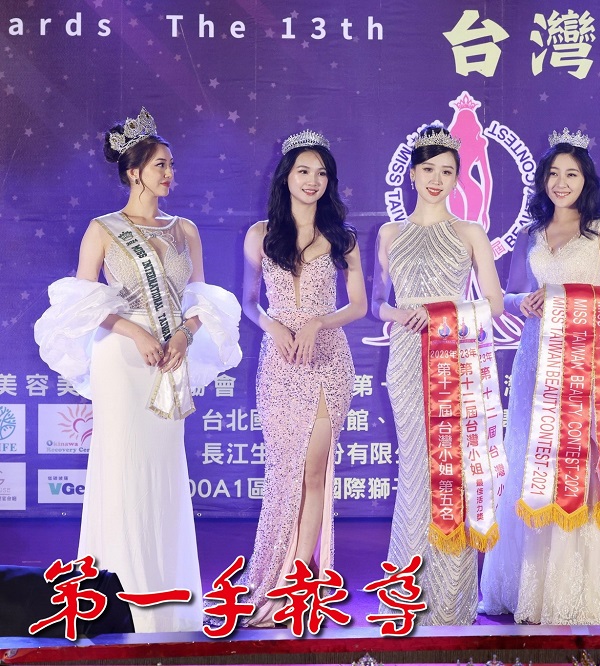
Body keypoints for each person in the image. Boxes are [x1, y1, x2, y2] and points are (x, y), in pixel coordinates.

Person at [34, 107, 242, 632]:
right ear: (134, 172)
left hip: (171, 356)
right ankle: (117, 601)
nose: (170, 173)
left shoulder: (185, 230)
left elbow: (200, 300)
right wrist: (136, 331)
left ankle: (168, 603)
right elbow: (80, 305)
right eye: (160, 165)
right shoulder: (102, 229)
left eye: (171, 164)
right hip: (123, 357)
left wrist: (183, 334)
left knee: (164, 471)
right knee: (121, 466)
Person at [480, 129, 600, 625]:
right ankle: (531, 585)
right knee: (533, 461)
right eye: (553, 174)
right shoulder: (532, 234)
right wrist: (521, 302)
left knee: (578, 464)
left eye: (571, 174)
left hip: (583, 363)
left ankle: (579, 587)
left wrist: (565, 296)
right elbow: (509, 295)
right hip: (534, 361)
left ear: (586, 179)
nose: (562, 183)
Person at [371, 125, 504, 625]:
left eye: (447, 171)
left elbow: (493, 303)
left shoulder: (470, 233)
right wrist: (400, 314)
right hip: (407, 356)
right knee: (415, 467)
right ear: (412, 174)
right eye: (428, 169)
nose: (436, 179)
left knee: (452, 467)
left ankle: (449, 599)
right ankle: (406, 592)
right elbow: (377, 303)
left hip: (455, 356)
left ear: (457, 179)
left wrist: (442, 313)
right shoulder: (390, 233)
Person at [236, 130, 366, 626]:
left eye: (321, 173)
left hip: (327, 360)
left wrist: (318, 322)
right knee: (283, 471)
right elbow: (249, 301)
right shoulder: (260, 234)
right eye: (303, 171)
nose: (312, 181)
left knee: (313, 471)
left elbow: (358, 306)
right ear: (286, 176)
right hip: (280, 361)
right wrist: (273, 325)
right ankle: (269, 579)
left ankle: (295, 585)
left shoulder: (342, 236)